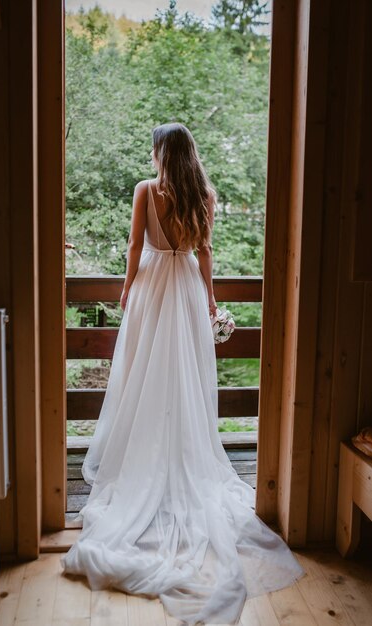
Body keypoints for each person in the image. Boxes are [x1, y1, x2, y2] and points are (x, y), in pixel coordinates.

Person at [60, 122, 305, 625]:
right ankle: (180, 450)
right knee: (185, 376)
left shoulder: (146, 191)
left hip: (152, 287)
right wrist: (210, 300)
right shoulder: (204, 194)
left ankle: (144, 452)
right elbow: (206, 253)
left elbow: (134, 248)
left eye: (153, 149)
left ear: (159, 153)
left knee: (142, 372)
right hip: (187, 288)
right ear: (189, 153)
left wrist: (126, 289)